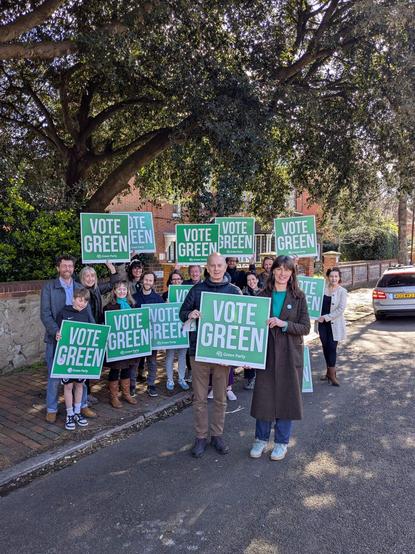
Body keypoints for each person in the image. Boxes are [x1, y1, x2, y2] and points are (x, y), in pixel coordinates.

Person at [179, 252, 242, 458]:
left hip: (223, 353)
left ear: (225, 267)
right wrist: (190, 314)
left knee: (221, 398)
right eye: (212, 265)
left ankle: (217, 435)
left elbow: (243, 321)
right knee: (199, 398)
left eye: (219, 265)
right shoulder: (197, 290)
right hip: (199, 351)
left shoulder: (234, 291)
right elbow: (182, 313)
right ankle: (200, 437)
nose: (216, 269)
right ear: (207, 267)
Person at [250, 255, 310, 461]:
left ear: (292, 273)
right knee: (264, 396)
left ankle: (282, 442)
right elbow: (251, 325)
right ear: (272, 271)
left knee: (286, 397)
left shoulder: (299, 297)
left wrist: (283, 324)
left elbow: (306, 327)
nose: (283, 273)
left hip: (289, 354)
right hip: (266, 353)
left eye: (287, 270)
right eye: (279, 269)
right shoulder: (261, 295)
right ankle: (260, 439)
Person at [40, 255, 96, 423]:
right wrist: (55, 331)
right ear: (58, 268)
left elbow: (88, 313)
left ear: (73, 268)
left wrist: (94, 333)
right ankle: (52, 408)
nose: (67, 269)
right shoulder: (49, 287)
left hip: (80, 340)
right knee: (54, 375)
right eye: (64, 266)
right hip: (57, 338)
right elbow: (45, 313)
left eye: (70, 266)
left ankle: (82, 405)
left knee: (82, 373)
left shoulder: (80, 287)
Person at [79, 262, 119, 404]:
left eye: (92, 276)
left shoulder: (96, 290)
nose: (89, 278)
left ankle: (86, 393)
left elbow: (114, 283)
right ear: (82, 278)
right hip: (85, 332)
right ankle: (83, 396)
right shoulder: (80, 291)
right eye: (87, 276)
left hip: (96, 330)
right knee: (83, 365)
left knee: (90, 364)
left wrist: (111, 267)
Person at [56, 288, 95, 430]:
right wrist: (57, 335)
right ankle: (69, 414)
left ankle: (78, 412)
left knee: (79, 385)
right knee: (68, 385)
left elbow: (93, 331)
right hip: (68, 356)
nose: (82, 303)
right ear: (73, 298)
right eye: (80, 300)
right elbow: (58, 332)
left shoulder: (86, 313)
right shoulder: (64, 312)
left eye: (85, 301)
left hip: (81, 356)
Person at [104, 281, 138, 408]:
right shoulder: (109, 307)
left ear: (128, 291)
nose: (122, 291)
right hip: (115, 344)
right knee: (115, 368)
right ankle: (114, 397)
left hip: (128, 343)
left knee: (127, 368)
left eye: (124, 289)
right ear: (114, 291)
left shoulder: (132, 305)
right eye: (119, 289)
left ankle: (126, 393)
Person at [133, 271, 164, 398]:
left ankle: (151, 385)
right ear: (142, 280)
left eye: (150, 280)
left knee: (152, 362)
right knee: (135, 362)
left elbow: (162, 319)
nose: (147, 282)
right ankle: (132, 385)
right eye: (146, 279)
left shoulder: (158, 299)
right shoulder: (134, 297)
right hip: (138, 336)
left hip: (152, 336)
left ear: (153, 282)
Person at [317, 267, 348, 386]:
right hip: (322, 324)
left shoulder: (342, 291)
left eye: (336, 276)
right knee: (325, 347)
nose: (333, 278)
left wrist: (326, 317)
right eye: (331, 276)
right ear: (328, 277)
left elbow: (340, 309)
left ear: (339, 278)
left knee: (332, 347)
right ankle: (328, 372)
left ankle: (333, 374)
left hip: (334, 324)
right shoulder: (322, 289)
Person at [161, 270, 190, 392]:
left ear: (182, 281)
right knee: (170, 355)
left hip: (183, 327)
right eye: (173, 279)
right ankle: (170, 379)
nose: (176, 281)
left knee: (182, 355)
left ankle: (181, 378)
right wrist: (166, 305)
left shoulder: (188, 294)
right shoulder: (165, 295)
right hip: (171, 329)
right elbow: (161, 313)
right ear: (170, 281)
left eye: (178, 279)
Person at [242, 272, 262, 390]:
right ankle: (250, 379)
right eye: (249, 280)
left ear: (257, 280)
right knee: (248, 353)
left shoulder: (264, 292)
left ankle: (260, 378)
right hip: (248, 327)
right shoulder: (243, 293)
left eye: (253, 279)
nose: (251, 282)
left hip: (260, 326)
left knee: (259, 352)